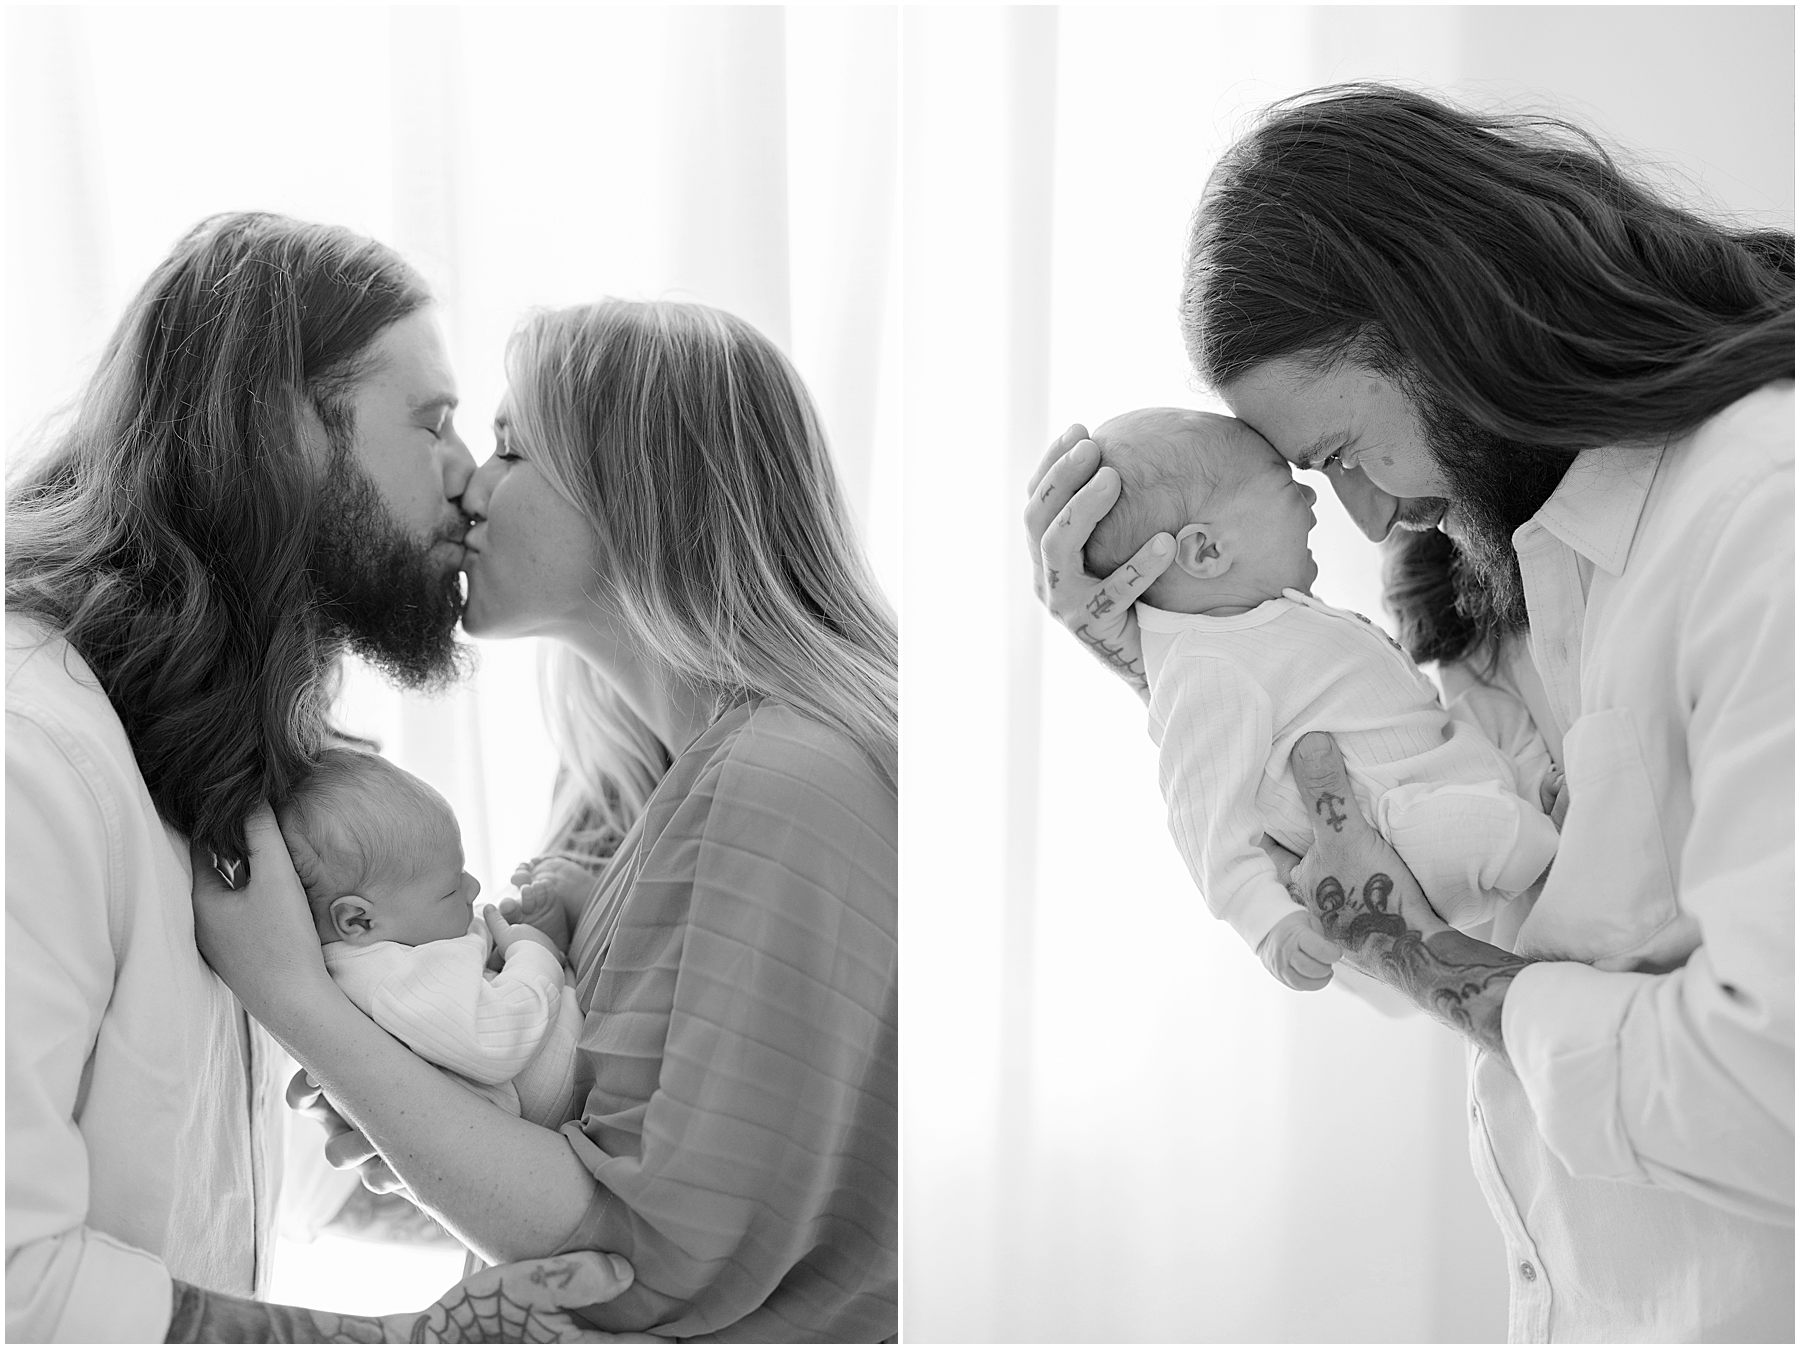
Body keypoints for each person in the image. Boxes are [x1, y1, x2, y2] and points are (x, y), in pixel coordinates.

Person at [1026, 84, 1792, 1341]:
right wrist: (1202, 664)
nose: (1369, 519)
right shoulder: (1497, 565)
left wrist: (1447, 972)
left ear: (1441, 317)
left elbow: (1772, 1088)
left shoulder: (1761, 513)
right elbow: (1433, 912)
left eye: (1339, 454)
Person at [190, 299, 901, 1341]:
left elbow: (632, 1268)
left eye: (514, 446)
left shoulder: (782, 785)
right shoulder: (642, 781)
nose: (471, 480)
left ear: (641, 494)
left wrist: (300, 999)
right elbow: (619, 1167)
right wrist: (443, 1121)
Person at [5, 213, 634, 1339]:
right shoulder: (29, 754)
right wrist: (398, 1342)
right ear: (286, 428)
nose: (469, 481)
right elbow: (18, 1278)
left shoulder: (212, 752)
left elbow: (201, 1190)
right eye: (434, 422)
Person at [1085, 406, 1557, 990]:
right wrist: (1268, 924)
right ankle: (1537, 834)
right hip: (1402, 825)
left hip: (1442, 766)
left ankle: (1535, 795)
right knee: (1500, 833)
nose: (1313, 504)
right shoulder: (1204, 668)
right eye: (1289, 487)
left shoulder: (1259, 626)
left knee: (1491, 717)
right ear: (1207, 552)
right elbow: (1204, 819)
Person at [286, 748, 584, 1127]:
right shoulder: (391, 981)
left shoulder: (392, 947)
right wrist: (534, 955)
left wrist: (500, 945)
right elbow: (495, 1039)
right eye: (448, 890)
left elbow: (455, 978)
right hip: (569, 1096)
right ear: (358, 921)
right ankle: (554, 956)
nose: (473, 886)